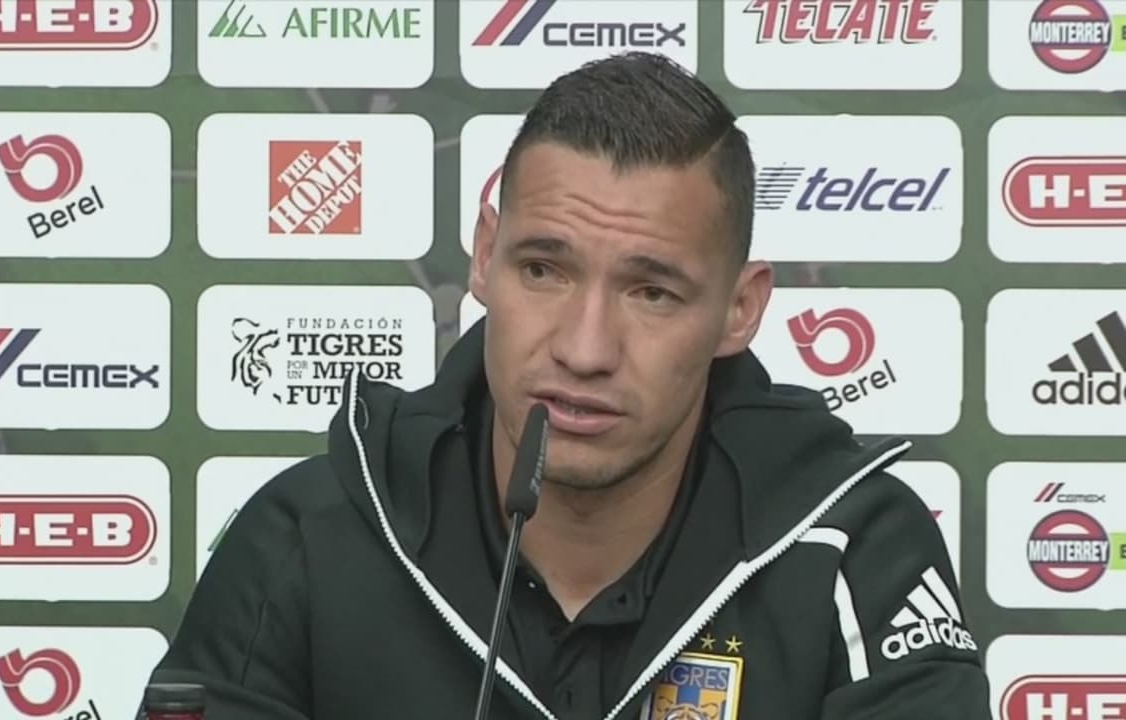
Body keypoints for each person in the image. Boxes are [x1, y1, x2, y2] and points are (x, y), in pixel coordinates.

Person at [146, 52, 991, 719]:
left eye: (651, 292)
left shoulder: (852, 548)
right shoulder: (311, 533)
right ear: (485, 258)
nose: (585, 351)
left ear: (740, 311)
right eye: (544, 270)